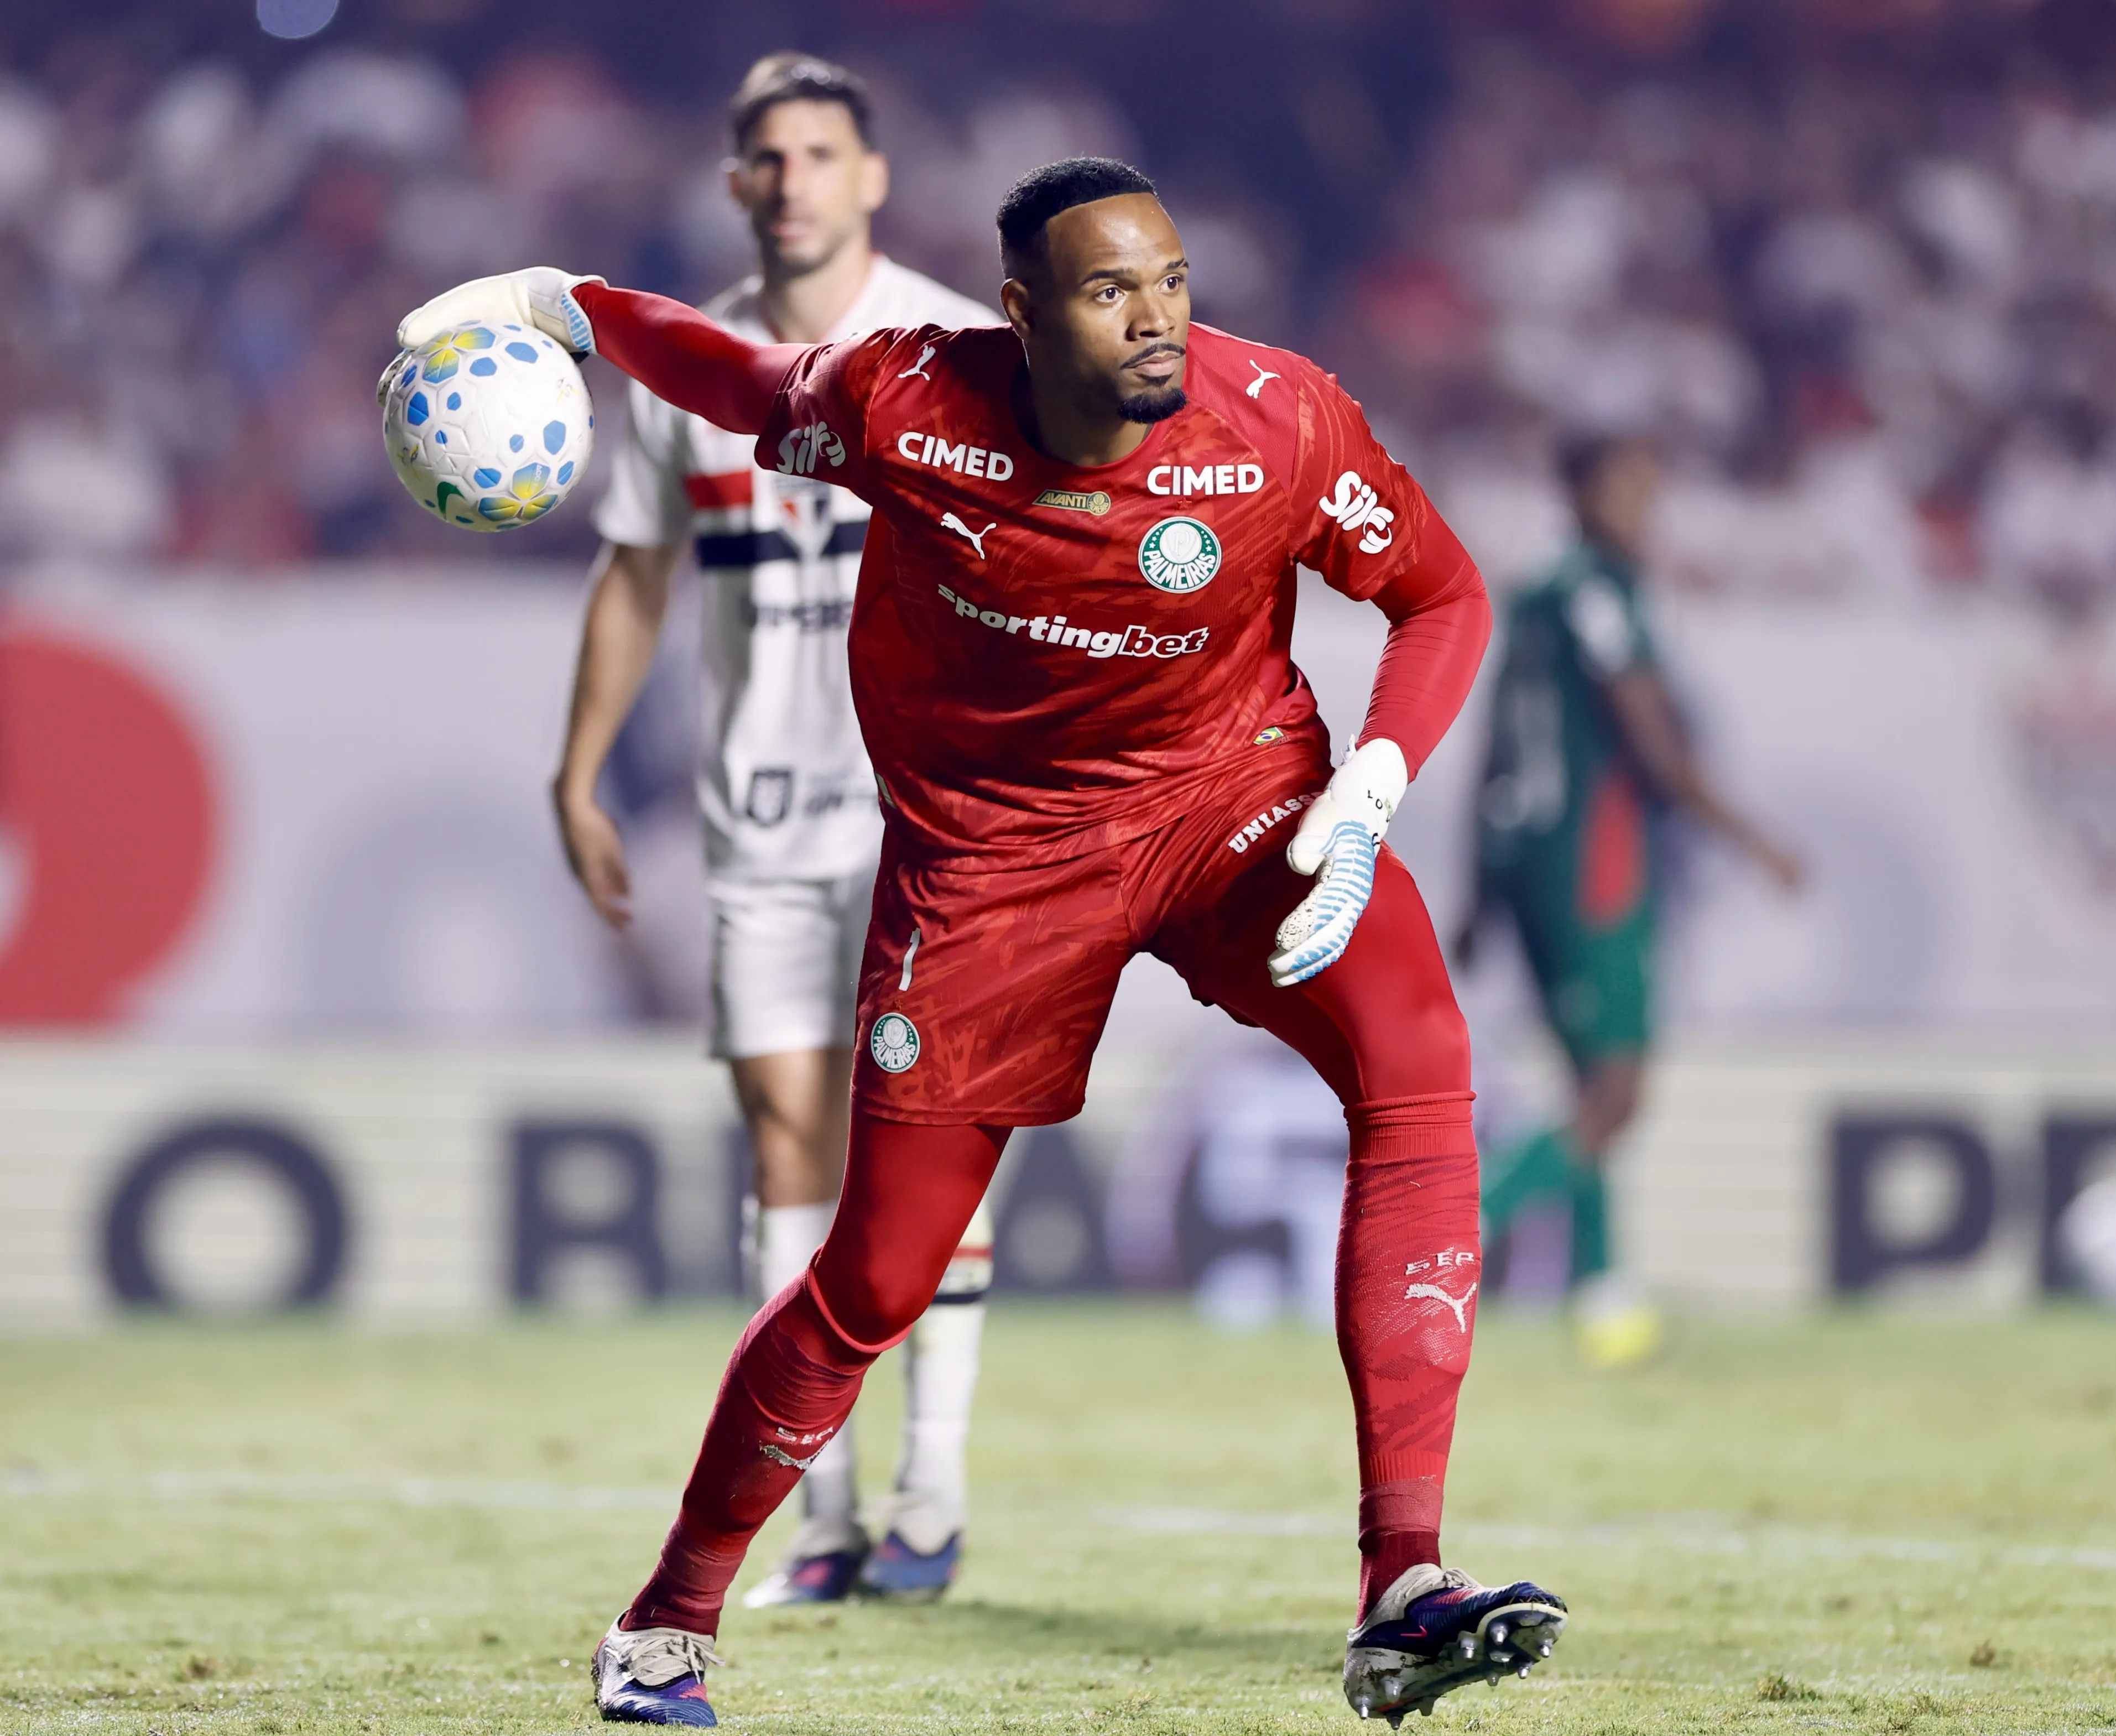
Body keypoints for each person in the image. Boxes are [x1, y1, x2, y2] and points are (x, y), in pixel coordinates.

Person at [397, 155, 1565, 1728]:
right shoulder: (911, 410)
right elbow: (737, 383)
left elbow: (1440, 596)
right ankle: (666, 1622)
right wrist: (568, 310)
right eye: (1107, 290)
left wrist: (1369, 782)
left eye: (1169, 280)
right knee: (874, 1281)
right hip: (993, 875)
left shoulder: (1279, 418)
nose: (1156, 320)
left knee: (1419, 1059)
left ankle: (1403, 1583)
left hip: (1234, 806)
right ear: (1019, 315)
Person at [550, 55, 998, 1610]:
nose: (794, 178)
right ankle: (825, 1514)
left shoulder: (957, 345)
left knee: (935, 1152)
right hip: (755, 815)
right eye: (767, 157)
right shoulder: (690, 372)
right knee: (789, 1146)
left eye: (821, 152)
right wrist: (580, 769)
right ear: (738, 185)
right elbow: (634, 574)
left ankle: (930, 1499)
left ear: (870, 175)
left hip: (933, 821)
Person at [1471, 434, 1804, 1367]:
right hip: (1596, 866)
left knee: (1586, 1092)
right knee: (1616, 1096)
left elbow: (1499, 741)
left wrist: (1478, 888)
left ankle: (1606, 1297)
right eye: (1624, 487)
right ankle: (1443, 1238)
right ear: (1578, 490)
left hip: (1529, 865)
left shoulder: (1535, 598)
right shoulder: (1599, 593)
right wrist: (1752, 839)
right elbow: (1652, 740)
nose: (1640, 507)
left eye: (1648, 489)